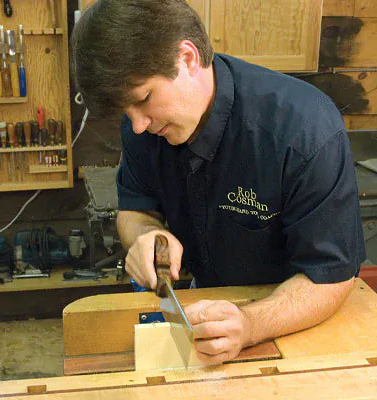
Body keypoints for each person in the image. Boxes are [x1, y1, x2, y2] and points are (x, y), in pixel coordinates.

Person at [71, 0, 365, 365]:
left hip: (296, 319)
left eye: (145, 99)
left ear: (188, 57)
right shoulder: (144, 125)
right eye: (126, 112)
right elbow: (135, 209)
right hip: (211, 312)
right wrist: (146, 236)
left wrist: (250, 324)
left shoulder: (303, 130)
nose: (137, 126)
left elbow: (329, 277)